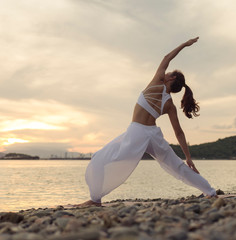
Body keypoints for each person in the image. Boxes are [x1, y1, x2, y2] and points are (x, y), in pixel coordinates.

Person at [79, 37, 216, 207]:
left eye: (168, 73)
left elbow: (166, 58)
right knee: (177, 166)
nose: (165, 73)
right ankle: (210, 192)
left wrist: (184, 44)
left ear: (171, 78)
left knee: (99, 158)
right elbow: (179, 133)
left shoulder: (157, 82)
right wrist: (188, 158)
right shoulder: (170, 105)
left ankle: (95, 200)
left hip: (137, 132)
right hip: (153, 134)